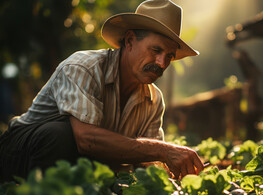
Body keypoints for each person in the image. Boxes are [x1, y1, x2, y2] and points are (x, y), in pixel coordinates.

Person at [0, 0, 204, 182]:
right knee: (60, 135)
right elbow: (87, 140)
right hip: (19, 153)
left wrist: (175, 179)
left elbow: (149, 160)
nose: (161, 63)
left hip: (76, 164)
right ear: (130, 41)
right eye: (156, 50)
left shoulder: (154, 99)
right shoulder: (83, 67)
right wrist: (164, 150)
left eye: (169, 56)